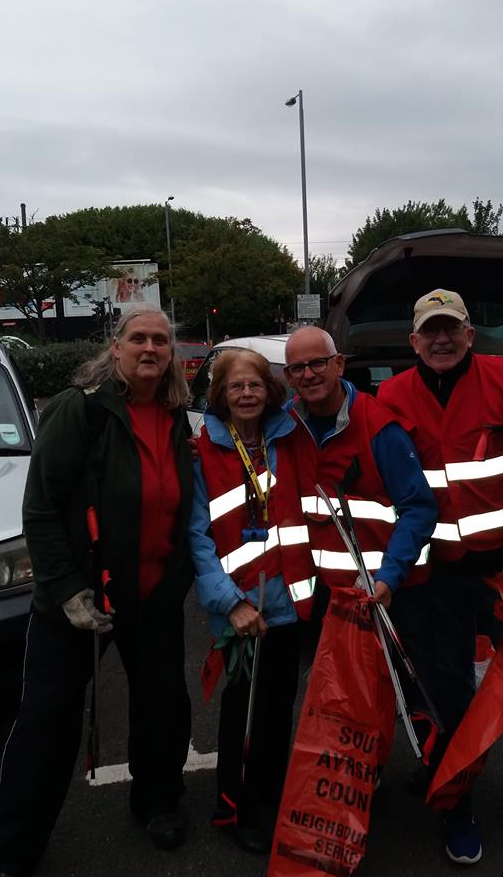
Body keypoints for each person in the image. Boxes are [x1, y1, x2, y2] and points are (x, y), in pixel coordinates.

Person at [0, 304, 195, 877]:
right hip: (81, 599)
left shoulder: (178, 416)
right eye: (138, 339)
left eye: (161, 341)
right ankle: (13, 846)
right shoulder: (82, 410)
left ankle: (157, 803)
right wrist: (68, 589)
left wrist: (178, 581)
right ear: (116, 348)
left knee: (163, 706)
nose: (150, 348)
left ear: (171, 354)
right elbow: (42, 507)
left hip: (154, 595)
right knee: (47, 719)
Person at [377, 288, 503, 867]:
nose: (440, 339)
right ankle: (459, 804)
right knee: (451, 692)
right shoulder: (390, 395)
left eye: (450, 328)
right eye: (429, 330)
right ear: (413, 341)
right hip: (435, 578)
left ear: (469, 335)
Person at [188, 350, 316, 855]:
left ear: (270, 390)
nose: (245, 394)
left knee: (278, 709)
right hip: (241, 608)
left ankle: (269, 794)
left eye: (255, 385)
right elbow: (197, 538)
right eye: (235, 387)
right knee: (242, 713)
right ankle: (236, 807)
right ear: (219, 394)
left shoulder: (290, 438)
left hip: (287, 605)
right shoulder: (205, 451)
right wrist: (229, 603)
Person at [283, 326, 436, 610]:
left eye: (318, 363)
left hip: (386, 592)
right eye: (297, 368)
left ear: (339, 364)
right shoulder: (284, 426)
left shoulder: (379, 427)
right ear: (288, 377)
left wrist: (389, 576)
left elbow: (419, 508)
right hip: (324, 596)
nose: (308, 374)